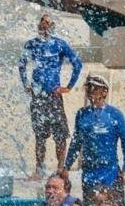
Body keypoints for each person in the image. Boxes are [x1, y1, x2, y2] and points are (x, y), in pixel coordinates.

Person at [18, 14, 83, 180]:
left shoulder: (59, 44)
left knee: (60, 135)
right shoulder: (31, 44)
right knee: (40, 136)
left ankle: (61, 169)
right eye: (42, 22)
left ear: (53, 25)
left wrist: (68, 87)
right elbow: (22, 64)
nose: (44, 25)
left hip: (54, 96)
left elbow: (77, 64)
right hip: (38, 96)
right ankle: (39, 170)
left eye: (47, 22)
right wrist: (26, 83)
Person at [60, 74, 125, 206]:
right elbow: (76, 142)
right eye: (88, 87)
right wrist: (67, 166)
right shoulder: (82, 114)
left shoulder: (115, 114)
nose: (90, 90)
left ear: (104, 91)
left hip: (110, 172)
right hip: (89, 173)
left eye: (94, 87)